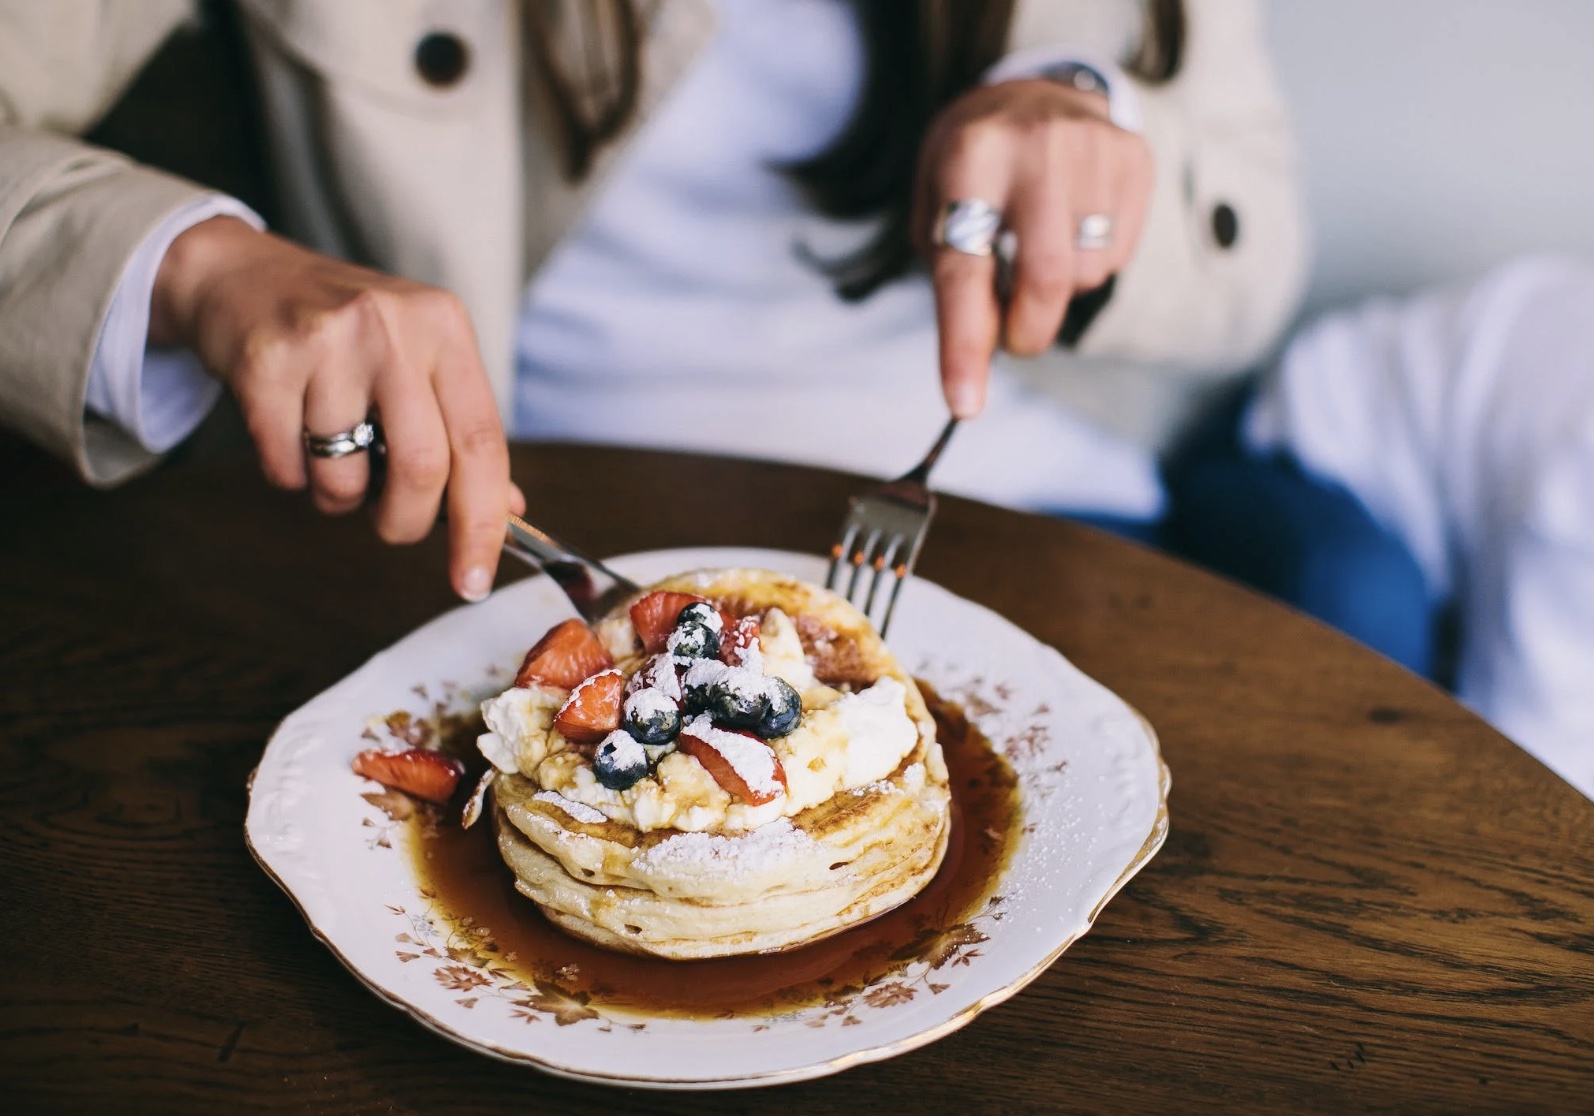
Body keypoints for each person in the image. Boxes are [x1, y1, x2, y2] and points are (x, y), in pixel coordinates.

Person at [0, 0, 1306, 603]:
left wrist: (1085, 118)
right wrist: (201, 263)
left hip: (989, 496)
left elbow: (1252, 275)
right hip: (520, 521)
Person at [1218, 258, 1593, 799]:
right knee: (1373, 630)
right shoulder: (1582, 468)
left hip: (1463, 535)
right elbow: (1530, 766)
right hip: (1296, 449)